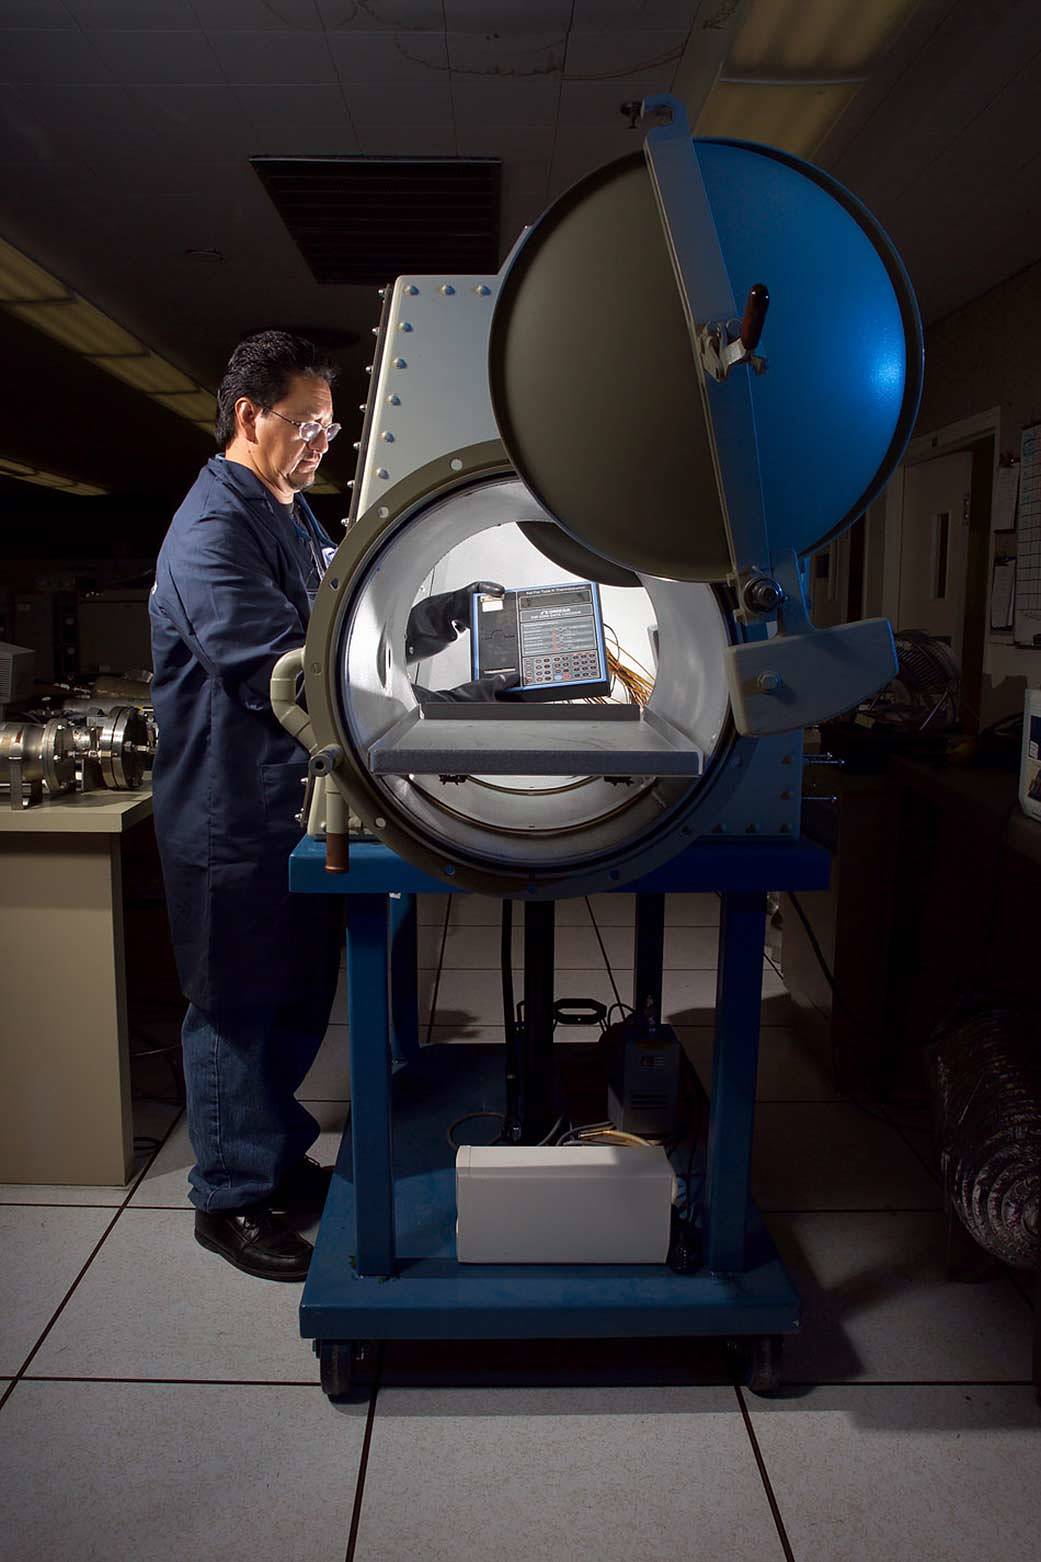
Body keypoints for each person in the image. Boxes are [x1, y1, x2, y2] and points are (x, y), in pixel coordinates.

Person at [150, 330, 510, 1281]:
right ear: (247, 417)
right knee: (236, 1004)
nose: (320, 444)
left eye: (331, 429)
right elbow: (278, 669)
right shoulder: (211, 530)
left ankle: (274, 1156)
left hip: (297, 806)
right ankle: (227, 1197)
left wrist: (435, 620)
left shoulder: (291, 514)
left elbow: (345, 623)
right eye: (305, 426)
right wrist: (421, 712)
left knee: (300, 995)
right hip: (231, 812)